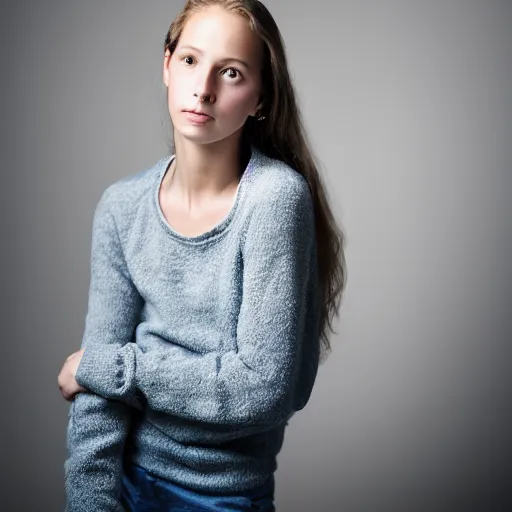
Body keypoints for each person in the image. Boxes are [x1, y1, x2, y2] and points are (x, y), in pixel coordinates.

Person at [57, 0, 346, 510]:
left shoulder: (274, 200)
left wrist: (111, 368)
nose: (204, 87)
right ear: (166, 64)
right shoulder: (121, 207)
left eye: (231, 72)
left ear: (260, 98)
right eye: (190, 60)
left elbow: (261, 389)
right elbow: (95, 405)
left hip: (221, 498)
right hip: (121, 482)